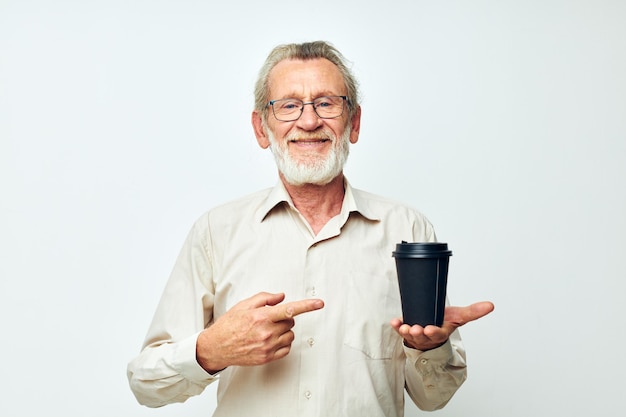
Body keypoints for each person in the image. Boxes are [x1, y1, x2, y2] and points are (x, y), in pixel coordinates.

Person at [127, 40, 494, 417]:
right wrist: (210, 350)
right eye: (288, 105)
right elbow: (145, 384)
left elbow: (433, 398)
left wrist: (429, 347)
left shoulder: (408, 229)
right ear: (261, 128)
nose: (308, 121)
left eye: (326, 103)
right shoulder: (216, 232)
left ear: (354, 123)